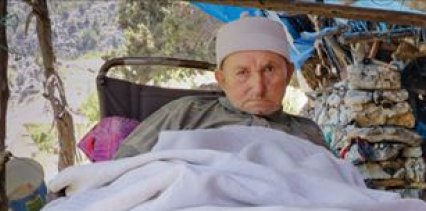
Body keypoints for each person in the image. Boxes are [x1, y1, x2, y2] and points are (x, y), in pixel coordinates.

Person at [113, 16, 325, 159]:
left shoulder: (308, 131)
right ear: (222, 79)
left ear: (287, 74)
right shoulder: (183, 114)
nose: (258, 88)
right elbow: (121, 170)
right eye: (242, 73)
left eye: (269, 70)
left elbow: (337, 188)